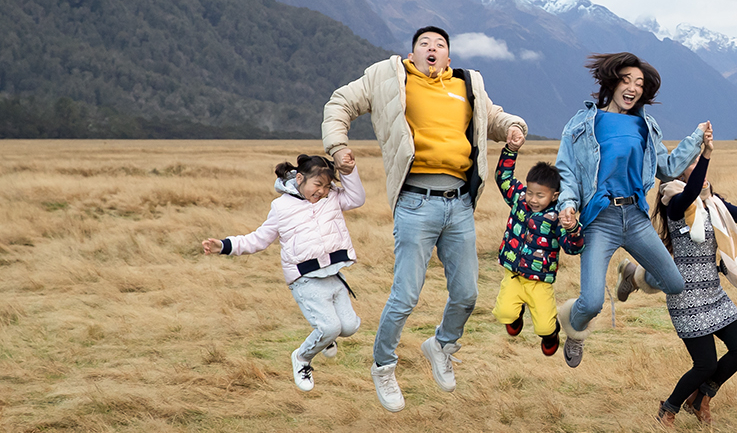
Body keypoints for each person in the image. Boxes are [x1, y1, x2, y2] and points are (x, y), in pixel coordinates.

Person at [323, 25, 528, 412]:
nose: (432, 49)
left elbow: (495, 117)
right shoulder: (387, 77)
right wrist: (338, 146)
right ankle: (383, 366)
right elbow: (339, 103)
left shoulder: (468, 84)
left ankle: (442, 344)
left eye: (439, 45)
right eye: (424, 45)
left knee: (467, 293)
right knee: (405, 296)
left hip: (460, 204)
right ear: (412, 53)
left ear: (448, 57)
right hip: (416, 202)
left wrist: (514, 128)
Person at [553, 52, 708, 367]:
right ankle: (574, 325)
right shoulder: (583, 123)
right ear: (612, 82)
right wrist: (567, 203)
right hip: (600, 220)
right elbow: (566, 171)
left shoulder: (645, 126)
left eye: (639, 83)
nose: (633, 87)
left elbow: (666, 167)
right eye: (626, 80)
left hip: (635, 218)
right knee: (593, 302)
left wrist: (696, 140)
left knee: (675, 283)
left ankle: (633, 275)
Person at [646, 134, 737, 426]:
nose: (699, 166)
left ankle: (701, 397)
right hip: (685, 296)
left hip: (712, 293)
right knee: (705, 364)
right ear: (678, 171)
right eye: (692, 163)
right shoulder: (676, 202)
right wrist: (707, 153)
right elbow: (688, 195)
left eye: (700, 162)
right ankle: (669, 408)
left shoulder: (712, 203)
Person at [202, 154, 365, 393]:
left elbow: (357, 198)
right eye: (317, 185)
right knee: (329, 328)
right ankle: (301, 358)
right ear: (300, 178)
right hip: (305, 278)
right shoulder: (281, 207)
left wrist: (349, 171)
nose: (321, 191)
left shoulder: (332, 198)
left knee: (349, 327)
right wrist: (225, 245)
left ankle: (325, 340)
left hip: (332, 272)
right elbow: (258, 239)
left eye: (327, 186)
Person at [492, 147, 584, 356]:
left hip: (539, 281)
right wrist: (510, 150)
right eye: (530, 193)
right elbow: (503, 177)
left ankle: (552, 334)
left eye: (540, 195)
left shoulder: (557, 217)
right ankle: (516, 313)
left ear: (554, 196)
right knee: (504, 314)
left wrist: (572, 228)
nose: (533, 199)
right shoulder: (519, 199)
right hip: (513, 273)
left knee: (544, 325)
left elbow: (574, 247)